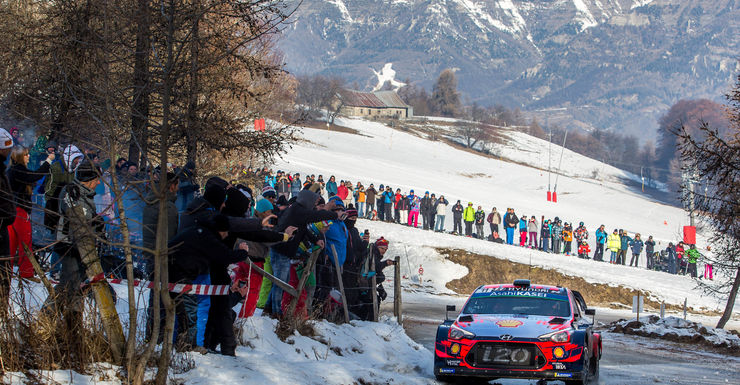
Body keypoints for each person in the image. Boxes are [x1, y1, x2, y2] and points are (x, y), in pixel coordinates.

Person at [168, 214, 249, 351]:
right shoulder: (206, 237)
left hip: (175, 272)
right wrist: (242, 253)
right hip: (179, 275)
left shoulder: (198, 231)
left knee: (182, 311)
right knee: (190, 311)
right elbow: (224, 255)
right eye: (226, 231)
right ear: (221, 230)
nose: (227, 235)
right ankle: (187, 347)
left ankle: (183, 344)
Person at [8, 146, 53, 278]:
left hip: (12, 210)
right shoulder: (18, 170)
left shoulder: (12, 170)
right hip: (19, 211)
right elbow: (34, 177)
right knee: (25, 243)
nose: (28, 156)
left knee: (11, 243)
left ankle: (6, 271)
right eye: (25, 155)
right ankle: (26, 272)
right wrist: (48, 162)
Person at [0, 129, 17, 309]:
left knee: (5, 271)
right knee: (2, 273)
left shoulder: (2, 170)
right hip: (0, 228)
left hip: (3, 228)